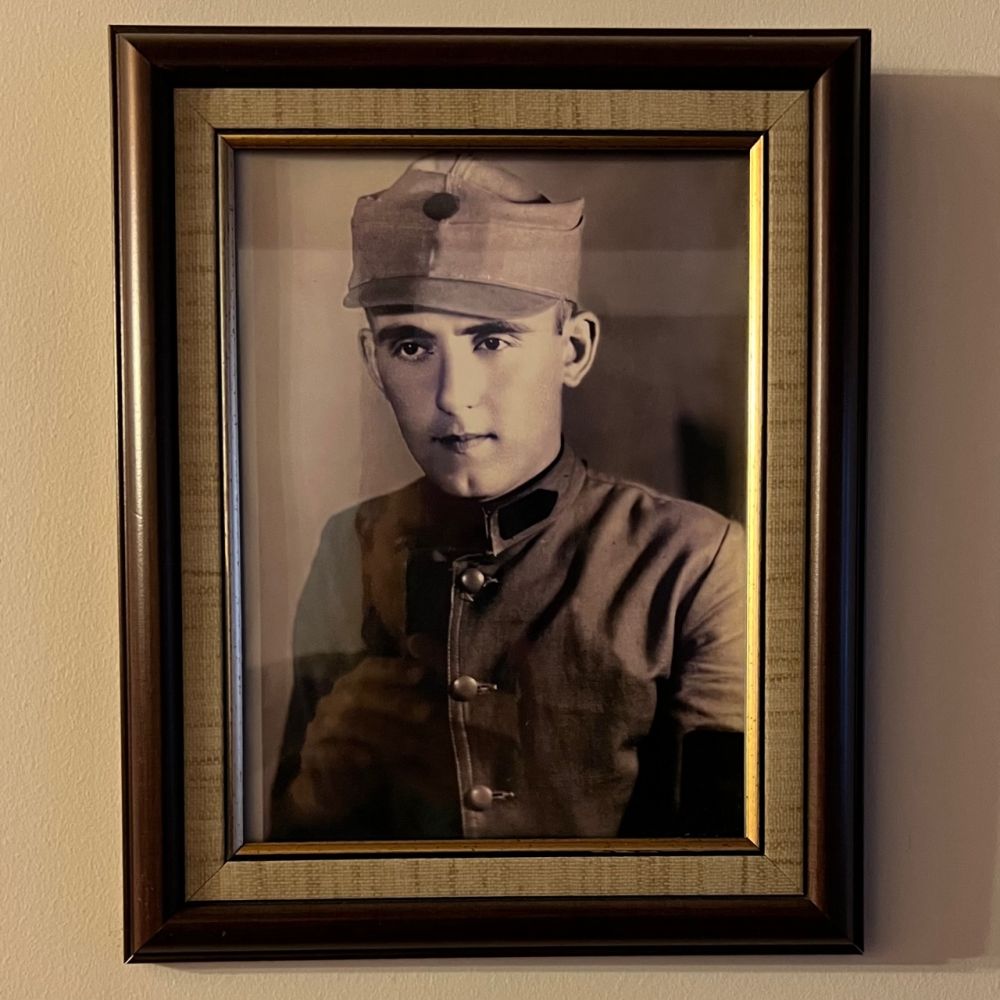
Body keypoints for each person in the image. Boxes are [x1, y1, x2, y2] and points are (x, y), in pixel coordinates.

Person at [270, 154, 746, 841]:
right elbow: (282, 853)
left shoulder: (697, 562)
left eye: (491, 340)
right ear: (373, 362)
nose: (453, 395)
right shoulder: (351, 544)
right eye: (411, 347)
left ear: (573, 350)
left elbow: (734, 866)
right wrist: (317, 797)